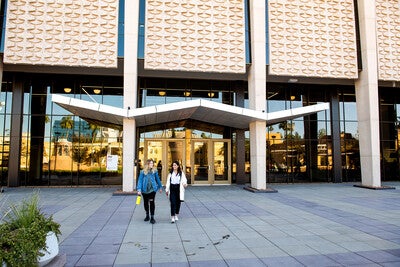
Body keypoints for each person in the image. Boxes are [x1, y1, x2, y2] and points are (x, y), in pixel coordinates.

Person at [136, 159, 163, 224]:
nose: (152, 165)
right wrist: (139, 189)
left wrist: (160, 187)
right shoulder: (142, 172)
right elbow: (140, 181)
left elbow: (157, 179)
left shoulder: (154, 171)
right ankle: (147, 215)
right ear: (147, 164)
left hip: (152, 190)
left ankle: (152, 217)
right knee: (145, 203)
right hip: (144, 190)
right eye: (150, 163)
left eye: (152, 163)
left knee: (152, 202)